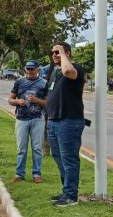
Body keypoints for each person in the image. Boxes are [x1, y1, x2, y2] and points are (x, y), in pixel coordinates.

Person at [46, 42, 86, 207]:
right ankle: (66, 191)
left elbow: (69, 71)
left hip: (69, 121)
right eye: (53, 52)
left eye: (58, 52)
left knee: (69, 158)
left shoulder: (75, 68)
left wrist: (63, 53)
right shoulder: (56, 72)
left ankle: (71, 196)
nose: (54, 54)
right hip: (54, 121)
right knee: (58, 157)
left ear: (68, 53)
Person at [9, 61, 48, 184]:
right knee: (21, 148)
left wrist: (37, 100)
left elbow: (48, 103)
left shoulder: (44, 83)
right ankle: (19, 174)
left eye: (32, 69)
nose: (30, 71)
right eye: (28, 69)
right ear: (25, 69)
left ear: (38, 69)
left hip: (38, 119)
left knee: (37, 148)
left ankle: (37, 174)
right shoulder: (19, 82)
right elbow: (10, 99)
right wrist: (17, 102)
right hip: (21, 118)